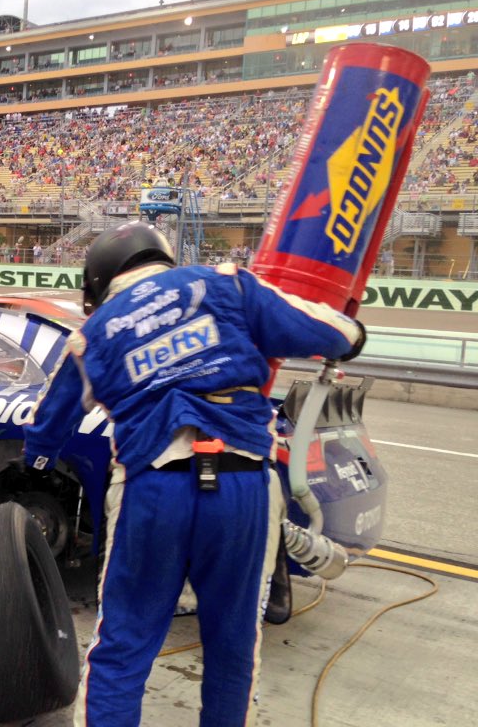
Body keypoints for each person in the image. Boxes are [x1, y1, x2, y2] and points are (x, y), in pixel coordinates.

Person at [21, 221, 365, 726]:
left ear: (99, 280)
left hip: (152, 488)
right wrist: (353, 334)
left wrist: (39, 460)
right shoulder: (229, 281)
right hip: (244, 484)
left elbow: (44, 430)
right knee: (232, 647)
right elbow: (333, 334)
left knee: (123, 647)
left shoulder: (89, 336)